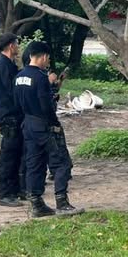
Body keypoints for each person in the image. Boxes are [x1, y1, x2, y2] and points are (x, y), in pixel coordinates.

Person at [14, 41, 83, 217]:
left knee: (34, 164)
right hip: (44, 126)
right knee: (61, 162)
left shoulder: (18, 77)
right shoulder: (40, 77)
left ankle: (37, 204)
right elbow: (46, 106)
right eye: (48, 58)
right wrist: (55, 124)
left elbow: (16, 104)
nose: (48, 62)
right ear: (43, 56)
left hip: (28, 125)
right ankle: (62, 202)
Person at [0, 33, 25, 207]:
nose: (18, 47)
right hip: (8, 116)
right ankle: (4, 194)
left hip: (14, 115)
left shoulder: (9, 64)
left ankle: (14, 190)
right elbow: (12, 89)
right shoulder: (3, 65)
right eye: (17, 44)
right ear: (11, 46)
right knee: (8, 156)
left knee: (17, 154)